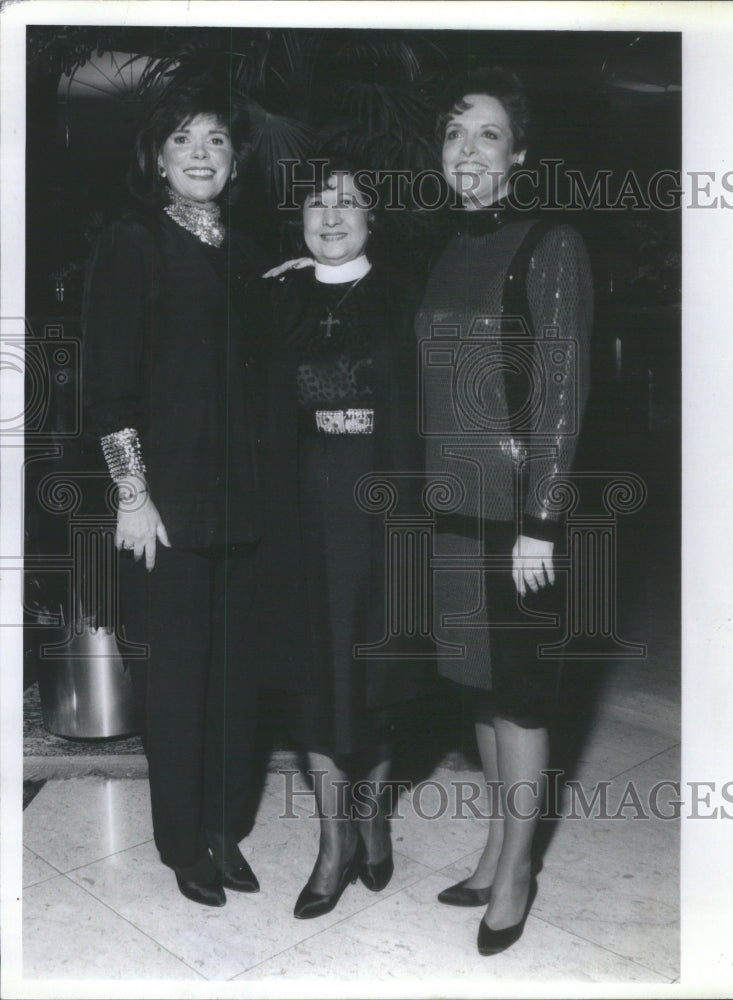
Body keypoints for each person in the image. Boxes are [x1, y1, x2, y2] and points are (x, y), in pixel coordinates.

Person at [416, 68, 593, 955]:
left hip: (516, 515)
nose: (468, 150)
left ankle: (518, 872)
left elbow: (562, 392)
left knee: (520, 698)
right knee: (477, 689)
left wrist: (542, 520)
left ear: (518, 155)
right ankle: (495, 849)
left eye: (487, 134)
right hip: (450, 506)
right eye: (454, 134)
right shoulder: (446, 248)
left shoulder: (548, 242)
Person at [82, 82, 268, 907]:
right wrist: (133, 496)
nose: (202, 152)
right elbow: (109, 388)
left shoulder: (247, 249)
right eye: (185, 138)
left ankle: (226, 829)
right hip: (165, 508)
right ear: (157, 156)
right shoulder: (132, 242)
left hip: (246, 507)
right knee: (179, 681)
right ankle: (182, 842)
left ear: (235, 161)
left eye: (218, 139)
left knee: (234, 679)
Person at [256, 160, 421, 919]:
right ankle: (333, 844)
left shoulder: (402, 294)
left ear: (371, 219)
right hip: (301, 508)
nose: (330, 215)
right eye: (316, 203)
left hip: (383, 498)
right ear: (297, 221)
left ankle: (374, 820)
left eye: (348, 202)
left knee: (376, 673)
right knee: (315, 676)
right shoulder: (273, 295)